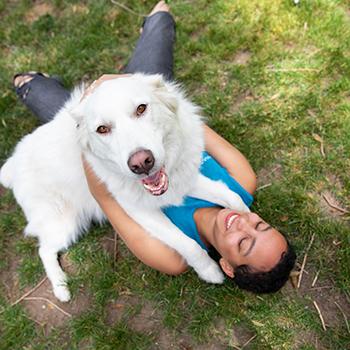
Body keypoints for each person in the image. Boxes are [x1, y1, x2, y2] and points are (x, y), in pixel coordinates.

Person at [12, 1, 296, 294]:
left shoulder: (172, 259)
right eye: (260, 225)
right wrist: (121, 84)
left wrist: (92, 123)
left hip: (95, 131)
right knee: (161, 16)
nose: (243, 224)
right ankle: (149, 32)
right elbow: (193, 125)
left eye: (243, 243)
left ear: (226, 265)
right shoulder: (241, 183)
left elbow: (107, 199)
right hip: (140, 97)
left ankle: (32, 83)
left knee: (29, 85)